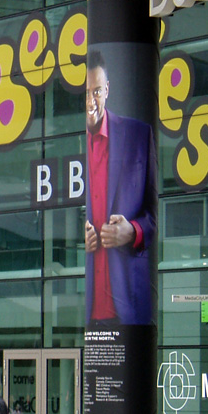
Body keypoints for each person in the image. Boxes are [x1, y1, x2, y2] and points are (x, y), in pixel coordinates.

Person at [83, 49, 157, 326]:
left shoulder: (138, 135)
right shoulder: (67, 143)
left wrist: (133, 231)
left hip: (129, 306)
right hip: (88, 311)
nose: (91, 101)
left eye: (97, 91)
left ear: (108, 89)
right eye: (86, 93)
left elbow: (156, 213)